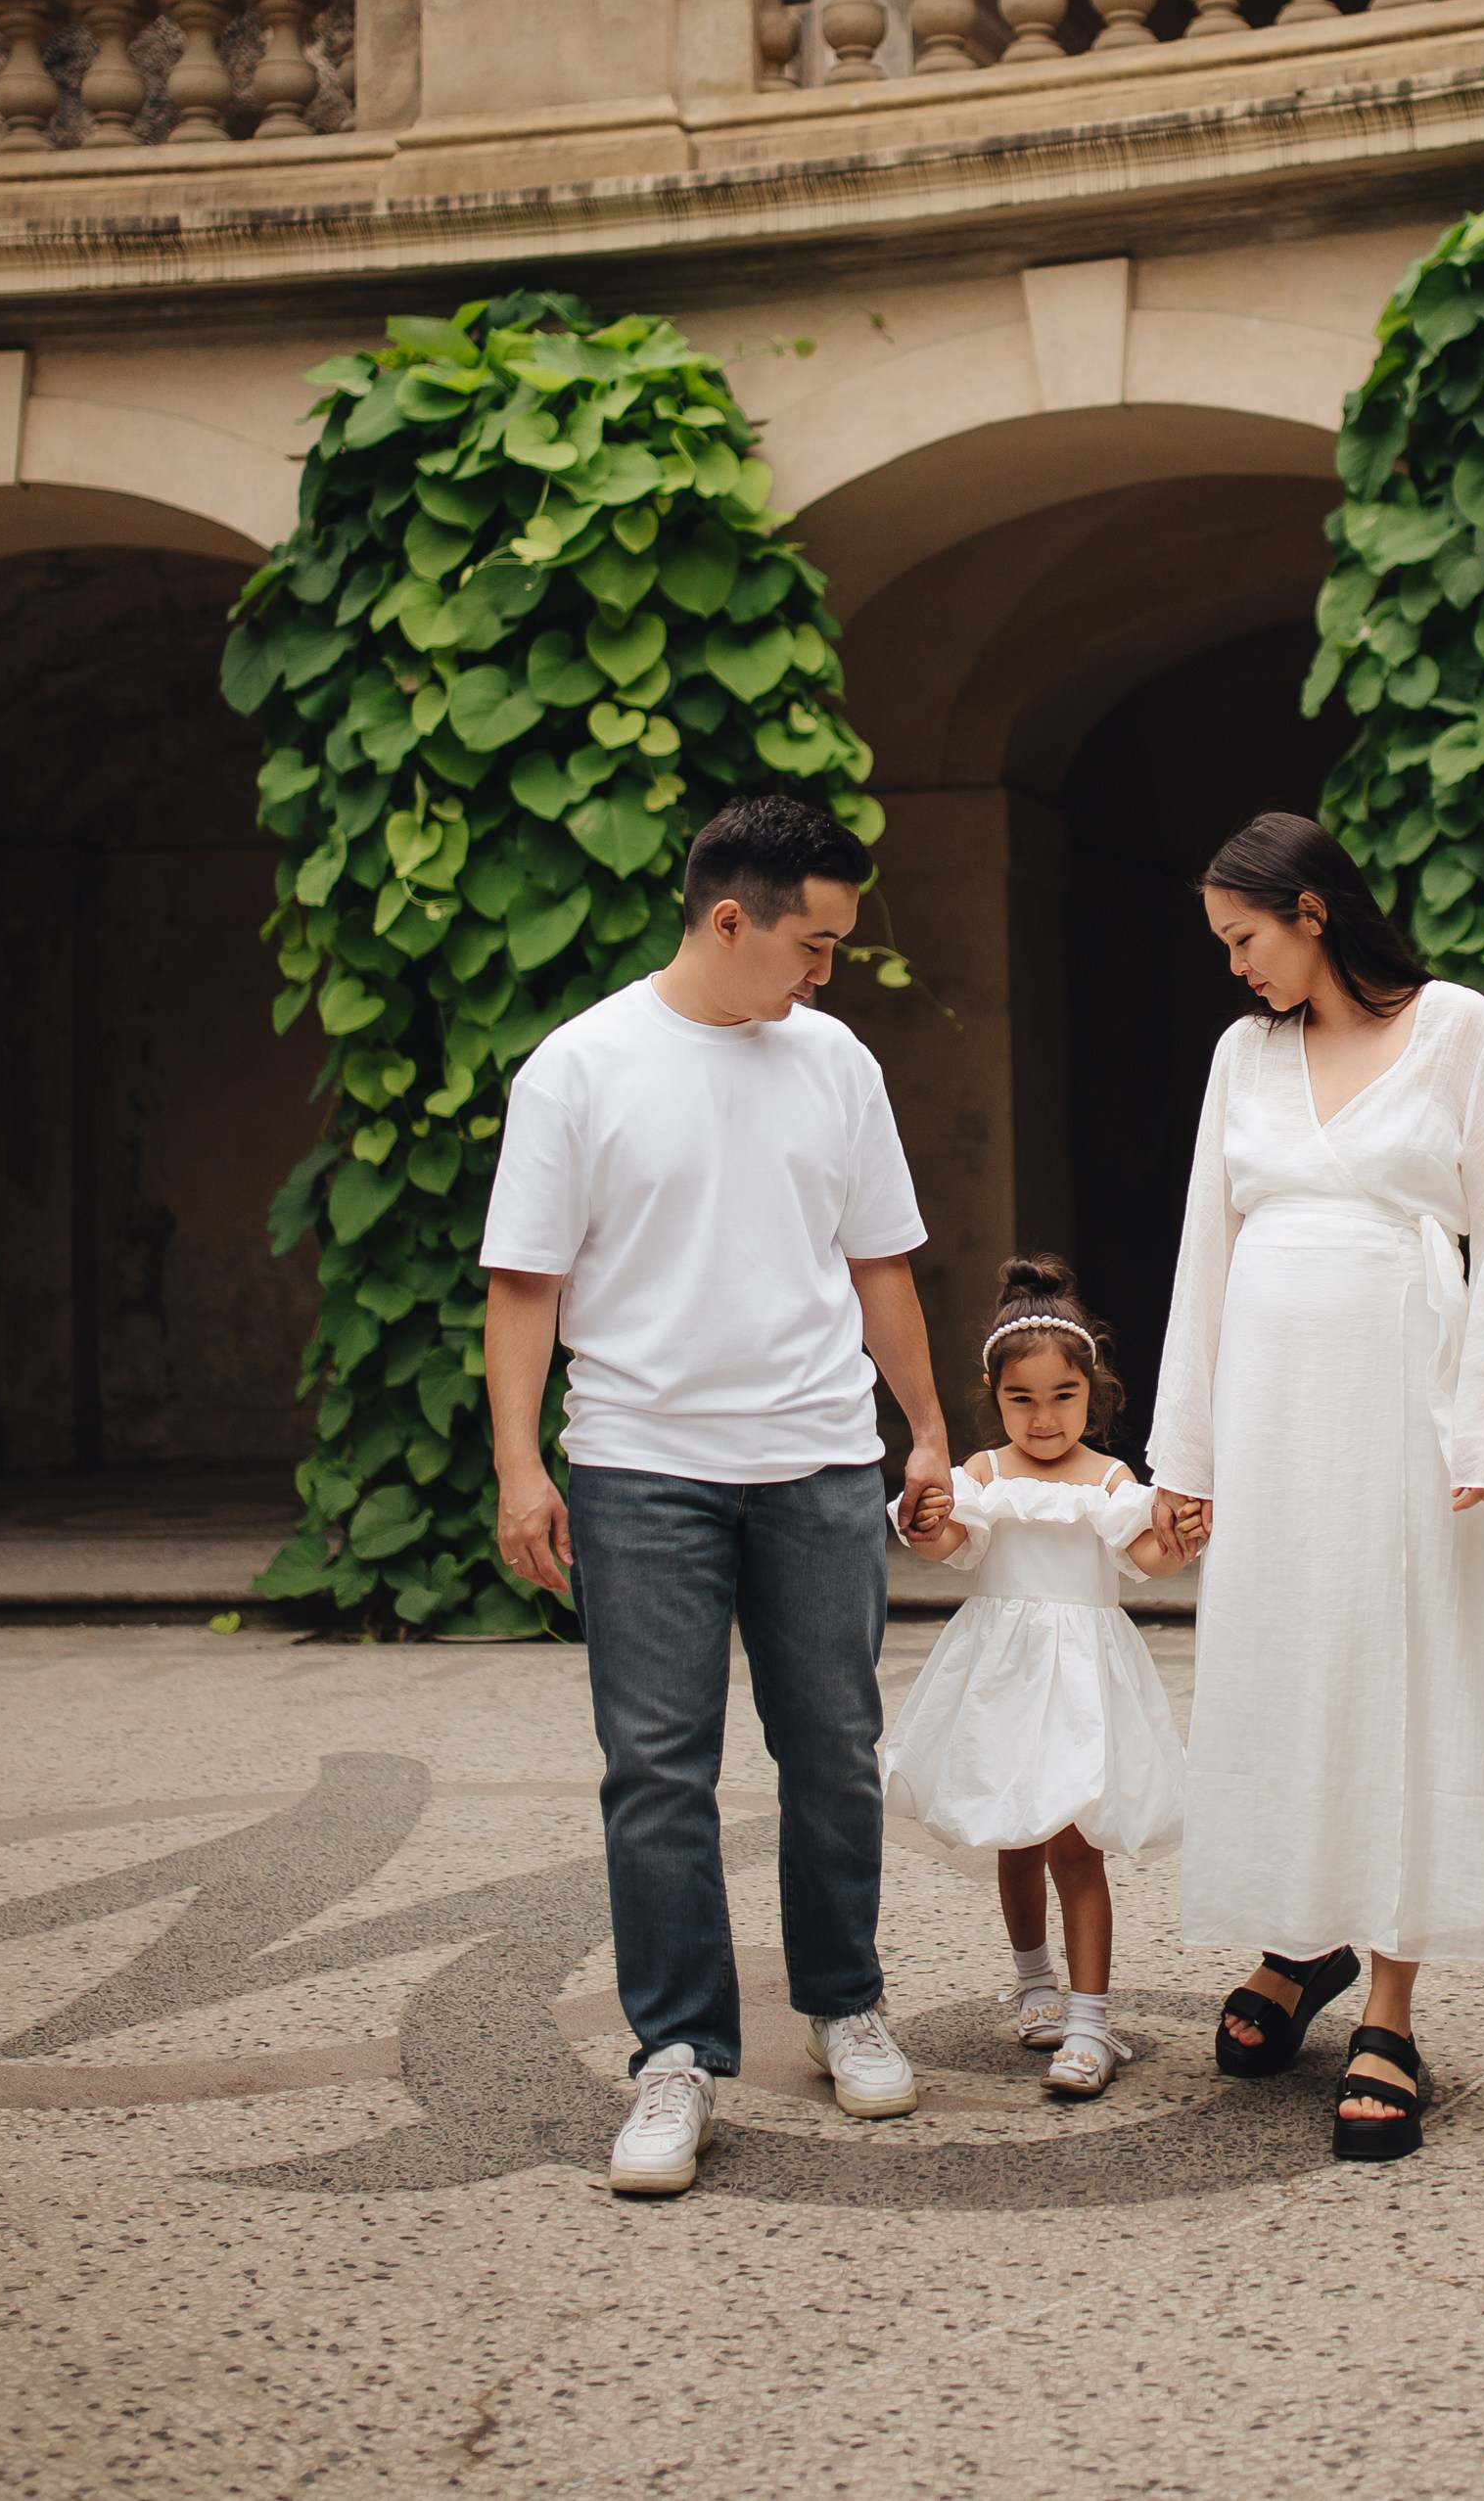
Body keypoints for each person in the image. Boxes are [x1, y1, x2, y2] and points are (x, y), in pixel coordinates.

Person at [480, 791, 954, 2200]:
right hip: (639, 1468)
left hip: (818, 1459)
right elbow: (525, 1285)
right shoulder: (581, 1068)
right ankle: (674, 2056)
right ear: (727, 918)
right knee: (657, 1777)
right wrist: (521, 1467)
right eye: (810, 946)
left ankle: (844, 2000)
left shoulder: (836, 1062)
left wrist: (924, 1431)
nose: (824, 974)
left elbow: (880, 1265)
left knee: (833, 1748)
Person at [1147, 811, 1484, 2165]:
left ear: (1313, 912)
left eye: (1245, 937)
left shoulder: (1457, 1030)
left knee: (1401, 1671)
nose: (1234, 968)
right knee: (1282, 1662)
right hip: (1269, 1412)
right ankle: (1298, 1938)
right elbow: (1205, 1251)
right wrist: (1187, 1458)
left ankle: (1390, 1998)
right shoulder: (1239, 1054)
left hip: (1403, 1401)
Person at [886, 1255, 1195, 2098]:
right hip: (1003, 1679)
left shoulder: (1112, 1480)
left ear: (1092, 1394)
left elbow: (1146, 1559)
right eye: (1021, 1399)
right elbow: (947, 1546)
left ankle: (1091, 2022)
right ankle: (1034, 1986)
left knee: (1075, 1844)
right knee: (1017, 1841)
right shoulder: (983, 1475)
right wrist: (923, 1523)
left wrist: (1179, 1541)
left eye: (1063, 1397)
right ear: (996, 1399)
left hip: (1085, 1683)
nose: (1044, 1417)